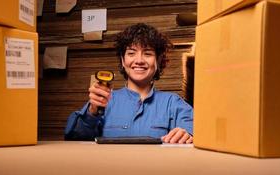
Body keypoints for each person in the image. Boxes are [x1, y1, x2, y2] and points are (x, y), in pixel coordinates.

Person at [65, 23, 193, 144]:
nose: (139, 60)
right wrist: (92, 112)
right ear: (122, 60)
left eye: (147, 53)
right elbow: (74, 139)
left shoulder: (173, 103)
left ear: (158, 61)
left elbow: (198, 130)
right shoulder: (103, 100)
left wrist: (188, 134)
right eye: (131, 53)